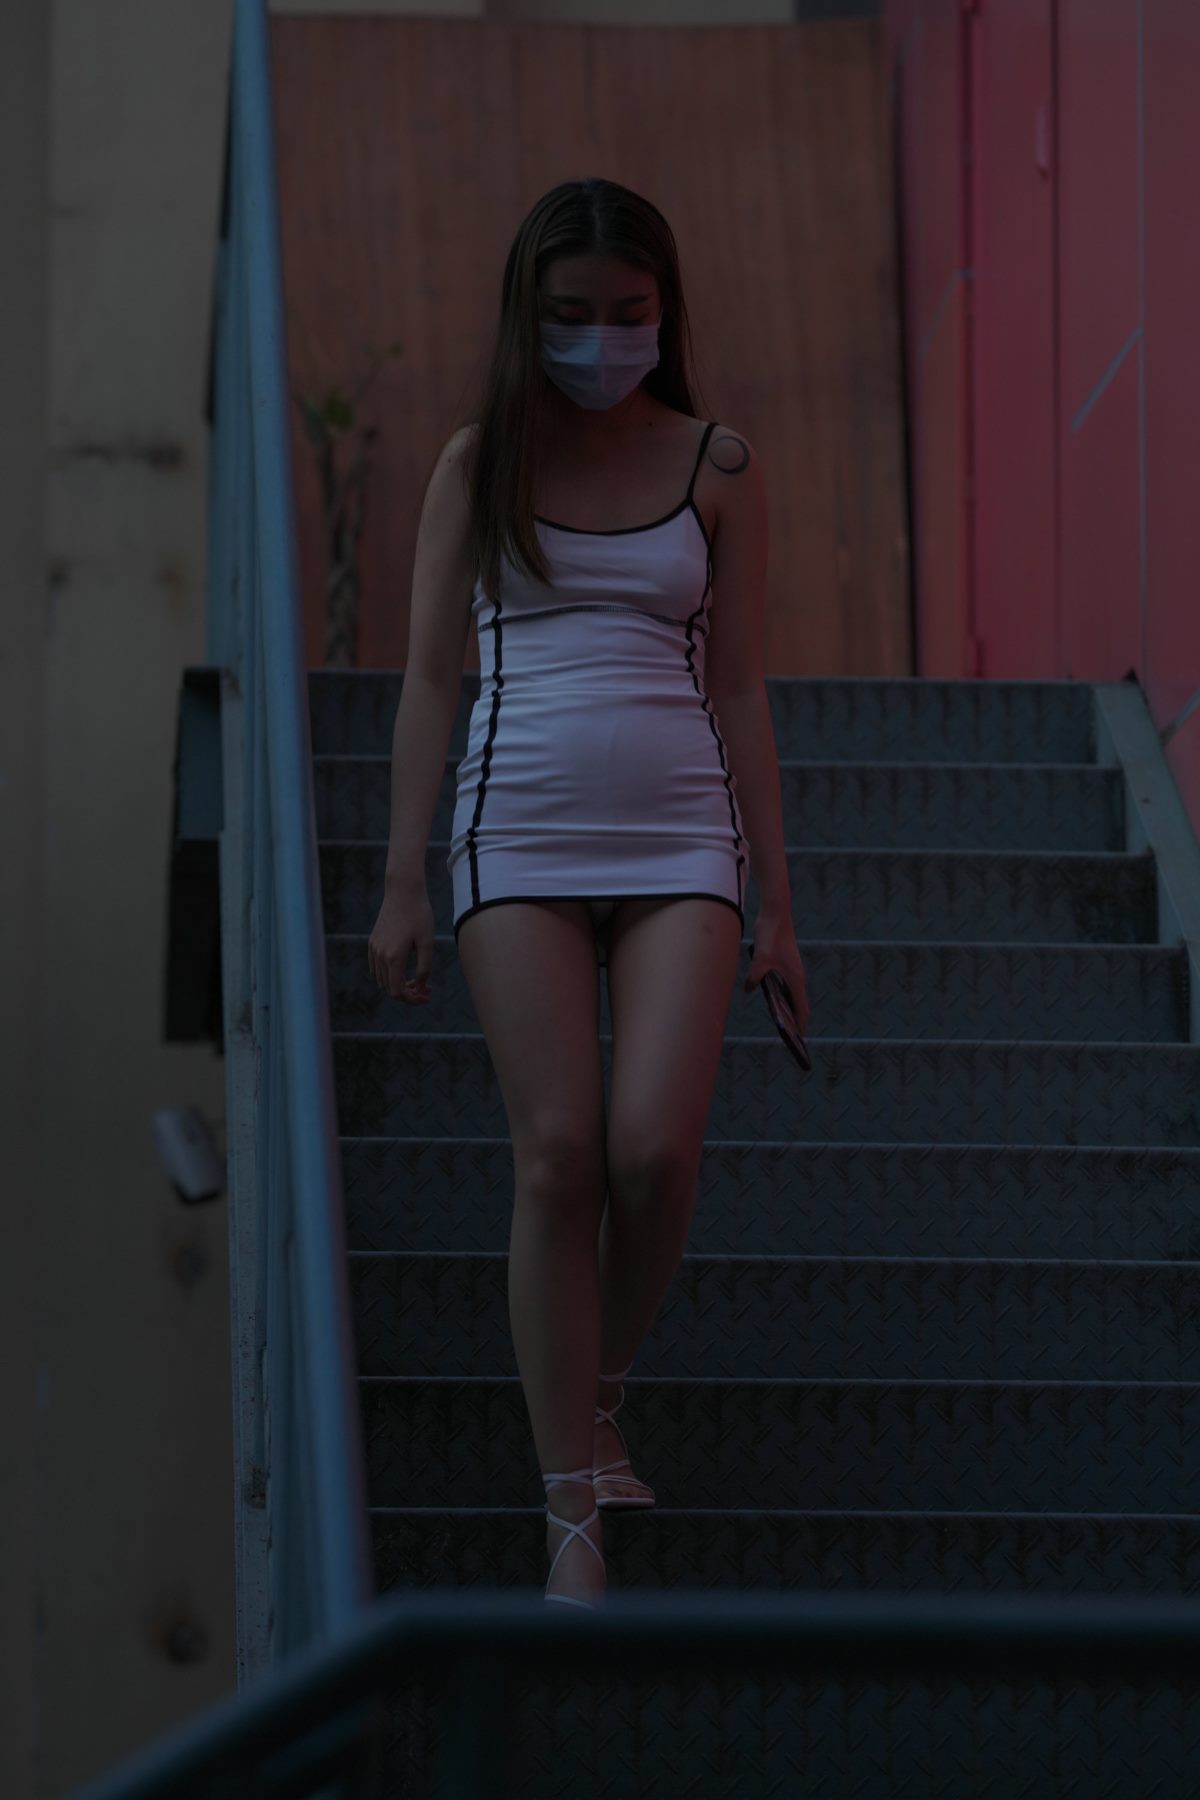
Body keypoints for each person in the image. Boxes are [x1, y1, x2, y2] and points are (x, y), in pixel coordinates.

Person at [367, 176, 808, 1610]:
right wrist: (400, 880)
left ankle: (598, 1387)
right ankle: (571, 1505)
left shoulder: (718, 463)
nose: (601, 340)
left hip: (684, 838)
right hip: (517, 831)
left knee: (654, 1153)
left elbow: (740, 686)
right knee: (558, 1152)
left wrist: (780, 906)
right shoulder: (478, 461)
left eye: (628, 313)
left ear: (665, 312)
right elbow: (427, 676)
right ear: (526, 314)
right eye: (570, 315)